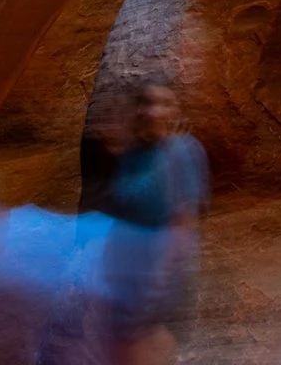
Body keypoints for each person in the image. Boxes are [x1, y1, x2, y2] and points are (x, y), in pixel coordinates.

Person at [80, 77, 209, 365]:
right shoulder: (131, 155)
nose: (153, 112)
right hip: (123, 278)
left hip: (156, 279)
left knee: (139, 347)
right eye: (146, 102)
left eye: (164, 103)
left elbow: (183, 226)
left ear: (177, 110)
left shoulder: (183, 152)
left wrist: (154, 288)